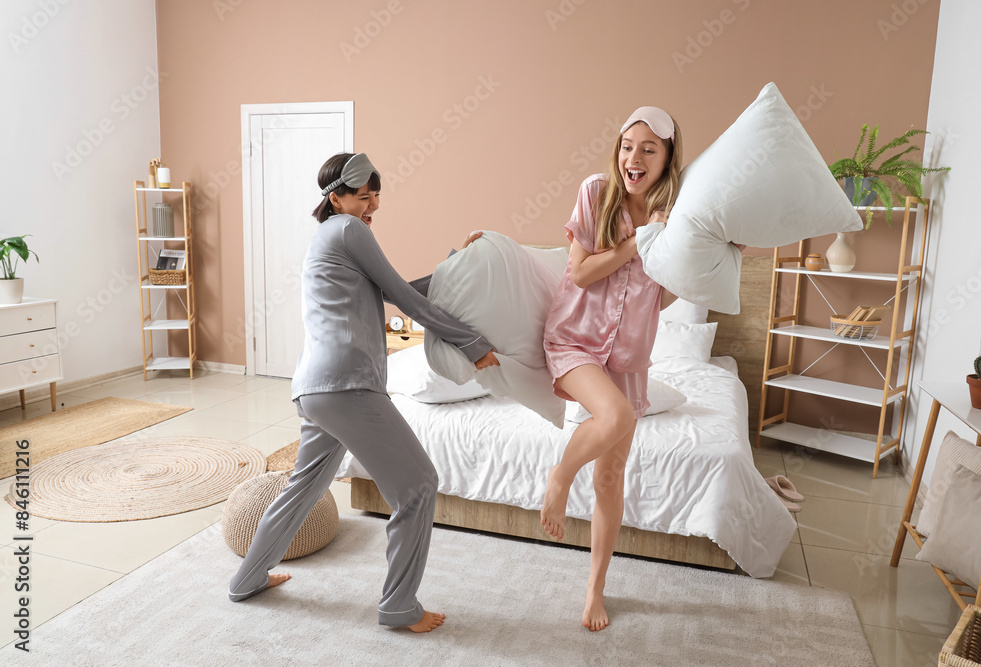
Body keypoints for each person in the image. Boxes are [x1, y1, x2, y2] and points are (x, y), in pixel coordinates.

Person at [228, 152, 499, 634]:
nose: (372, 204)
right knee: (418, 485)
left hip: (316, 388)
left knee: (303, 488)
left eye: (376, 195)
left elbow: (395, 289)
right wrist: (472, 343)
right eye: (363, 195)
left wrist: (461, 264)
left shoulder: (330, 236)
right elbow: (403, 293)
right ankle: (398, 607)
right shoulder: (350, 230)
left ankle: (246, 579)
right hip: (347, 384)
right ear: (336, 198)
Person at [539, 107, 684, 632]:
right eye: (627, 146)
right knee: (617, 417)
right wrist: (635, 245)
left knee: (611, 475)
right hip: (575, 337)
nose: (634, 158)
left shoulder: (677, 215)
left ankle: (595, 590)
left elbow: (658, 298)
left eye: (648, 149)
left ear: (668, 157)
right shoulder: (597, 192)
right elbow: (578, 272)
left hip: (627, 356)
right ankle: (559, 476)